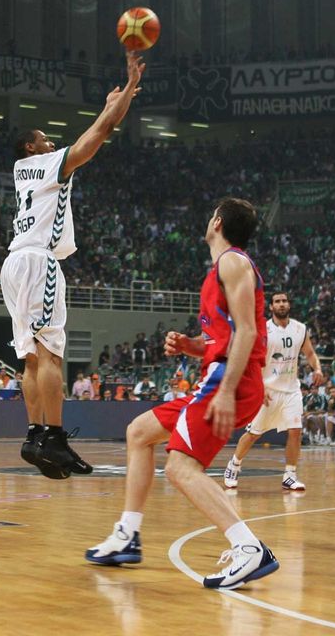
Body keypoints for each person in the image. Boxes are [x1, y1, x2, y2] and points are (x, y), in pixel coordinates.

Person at [86, 198, 279, 591]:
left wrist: (225, 391)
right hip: (221, 372)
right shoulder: (219, 270)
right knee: (139, 432)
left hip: (231, 379)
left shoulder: (232, 262)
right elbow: (221, 337)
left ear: (217, 222)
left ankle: (248, 548)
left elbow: (248, 332)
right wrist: (192, 345)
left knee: (180, 467)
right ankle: (127, 535)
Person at [4, 51, 145, 479]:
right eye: (46, 139)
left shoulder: (20, 169)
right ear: (32, 147)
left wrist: (108, 105)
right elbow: (100, 134)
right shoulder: (47, 164)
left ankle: (34, 435)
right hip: (38, 262)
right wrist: (125, 92)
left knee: (30, 358)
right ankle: (55, 437)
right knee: (51, 356)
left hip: (13, 263)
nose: (52, 143)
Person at [223, 291, 323, 492]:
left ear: (289, 304)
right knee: (253, 434)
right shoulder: (263, 330)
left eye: (284, 301)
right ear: (271, 307)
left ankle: (290, 475)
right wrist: (259, 387)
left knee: (295, 432)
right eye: (277, 301)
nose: (281, 304)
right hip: (267, 390)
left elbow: (310, 353)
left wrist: (318, 368)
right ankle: (233, 465)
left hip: (291, 390)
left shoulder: (300, 329)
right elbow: (251, 362)